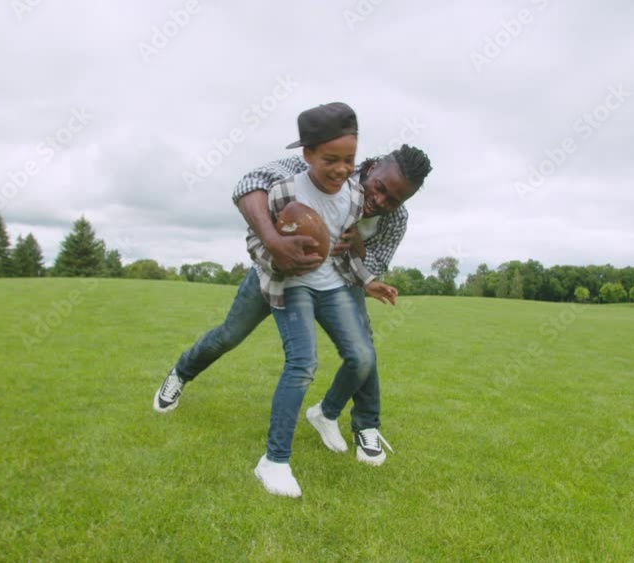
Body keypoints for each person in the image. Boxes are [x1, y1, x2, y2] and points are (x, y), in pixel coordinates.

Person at [154, 123, 433, 469]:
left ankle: (362, 424)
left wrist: (357, 245)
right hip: (280, 273)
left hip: (340, 281)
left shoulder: (395, 220)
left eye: (394, 200)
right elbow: (249, 184)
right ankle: (181, 373)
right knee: (230, 335)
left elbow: (376, 265)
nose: (381, 201)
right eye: (379, 190)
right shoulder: (325, 169)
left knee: (363, 350)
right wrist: (275, 242)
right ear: (372, 167)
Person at [244, 101, 399, 497]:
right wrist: (280, 254)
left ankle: (324, 413)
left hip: (332, 285)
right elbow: (256, 243)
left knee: (362, 356)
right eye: (331, 159)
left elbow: (345, 250)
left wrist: (367, 282)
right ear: (307, 154)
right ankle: (274, 461)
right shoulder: (285, 190)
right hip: (293, 284)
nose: (342, 168)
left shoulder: (352, 195)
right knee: (302, 364)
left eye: (349, 159)